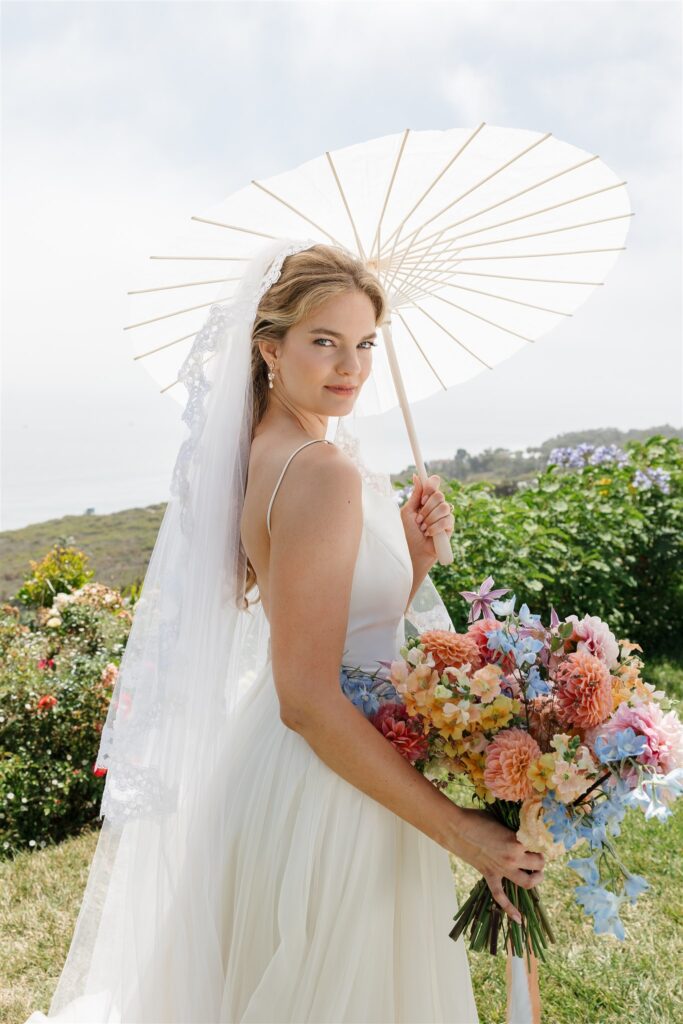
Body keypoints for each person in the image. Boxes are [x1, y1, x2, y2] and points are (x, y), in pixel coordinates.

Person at [24, 237, 544, 1024]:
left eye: (365, 343)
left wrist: (407, 552)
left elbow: (348, 634)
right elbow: (307, 695)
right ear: (269, 347)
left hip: (291, 766)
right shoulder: (321, 469)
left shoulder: (272, 453)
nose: (352, 367)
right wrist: (460, 832)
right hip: (332, 783)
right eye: (324, 342)